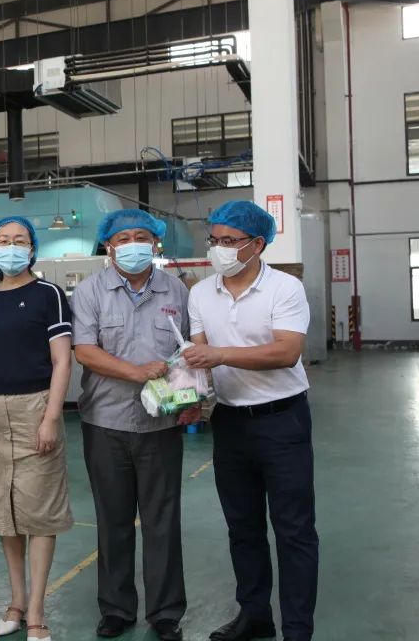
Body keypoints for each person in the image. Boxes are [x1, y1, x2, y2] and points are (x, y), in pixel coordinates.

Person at [183, 201, 316, 641]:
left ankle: (297, 630)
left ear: (257, 244)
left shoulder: (284, 288)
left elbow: (287, 351)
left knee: (294, 530)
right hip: (230, 421)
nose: (218, 249)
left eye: (229, 241)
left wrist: (220, 354)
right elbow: (199, 359)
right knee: (243, 527)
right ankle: (255, 614)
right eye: (214, 240)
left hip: (283, 420)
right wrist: (187, 392)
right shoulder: (201, 293)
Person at [71, 209, 199, 641]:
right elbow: (85, 351)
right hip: (105, 421)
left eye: (140, 236)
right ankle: (116, 608)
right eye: (122, 238)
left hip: (161, 424)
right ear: (108, 246)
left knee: (162, 519)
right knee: (113, 519)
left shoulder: (176, 290)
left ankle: (165, 612)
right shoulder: (90, 291)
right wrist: (137, 373)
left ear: (155, 243)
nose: (132, 245)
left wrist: (193, 397)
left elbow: (189, 350)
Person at [0, 216, 73, 641]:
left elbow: (62, 361)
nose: (10, 246)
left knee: (39, 513)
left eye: (19, 240)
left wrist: (51, 417)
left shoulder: (48, 294)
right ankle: (15, 601)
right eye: (3, 240)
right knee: (6, 514)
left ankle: (36, 612)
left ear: (32, 248)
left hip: (35, 407)